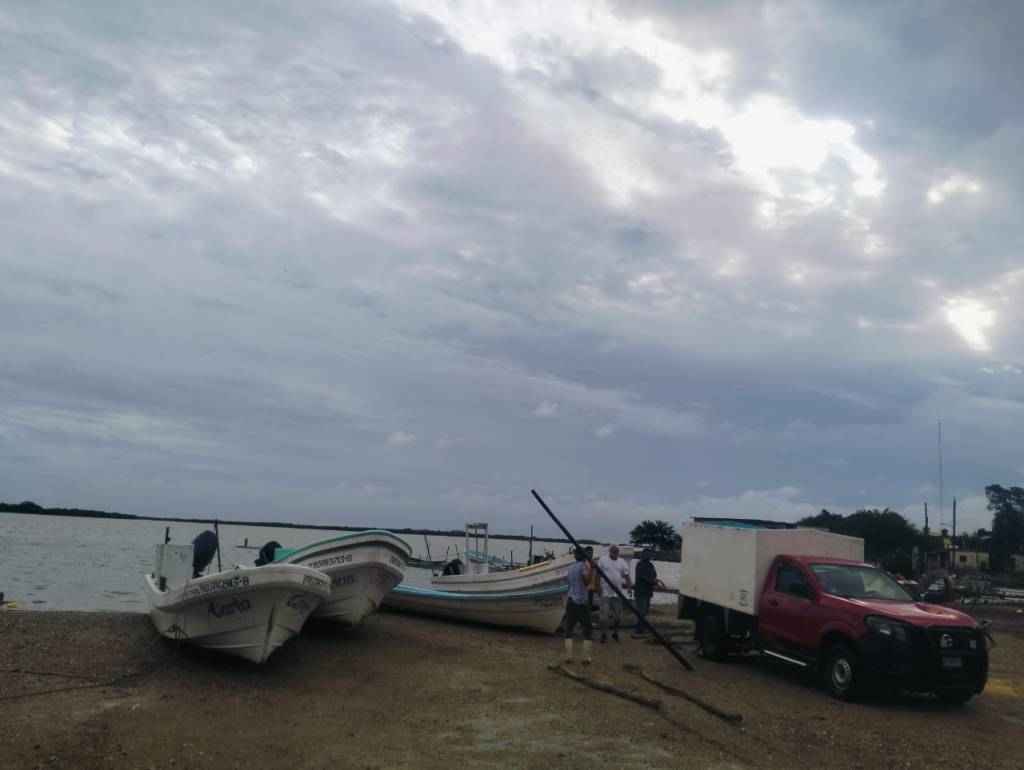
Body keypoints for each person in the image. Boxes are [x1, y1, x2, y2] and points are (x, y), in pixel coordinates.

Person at [562, 548, 593, 664]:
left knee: (569, 627)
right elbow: (586, 581)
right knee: (588, 629)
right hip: (581, 601)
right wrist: (593, 569)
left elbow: (569, 585)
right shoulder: (583, 566)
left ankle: (568, 656)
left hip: (571, 600)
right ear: (584, 557)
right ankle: (585, 657)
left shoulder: (571, 568)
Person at [596, 544, 631, 643]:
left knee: (619, 617)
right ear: (610, 551)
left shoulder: (622, 562)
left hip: (617, 594)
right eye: (614, 551)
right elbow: (597, 574)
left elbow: (627, 576)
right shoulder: (603, 560)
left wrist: (629, 587)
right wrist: (597, 586)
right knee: (603, 617)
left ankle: (615, 632)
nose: (616, 553)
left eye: (617, 551)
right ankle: (603, 634)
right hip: (605, 593)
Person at [633, 548, 665, 634]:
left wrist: (658, 581)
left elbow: (653, 576)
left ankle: (641, 626)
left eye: (649, 555)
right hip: (640, 591)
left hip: (648, 591)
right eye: (645, 554)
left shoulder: (651, 565)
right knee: (641, 610)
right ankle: (639, 629)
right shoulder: (639, 564)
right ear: (642, 555)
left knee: (646, 610)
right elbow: (642, 577)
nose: (647, 556)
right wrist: (654, 582)